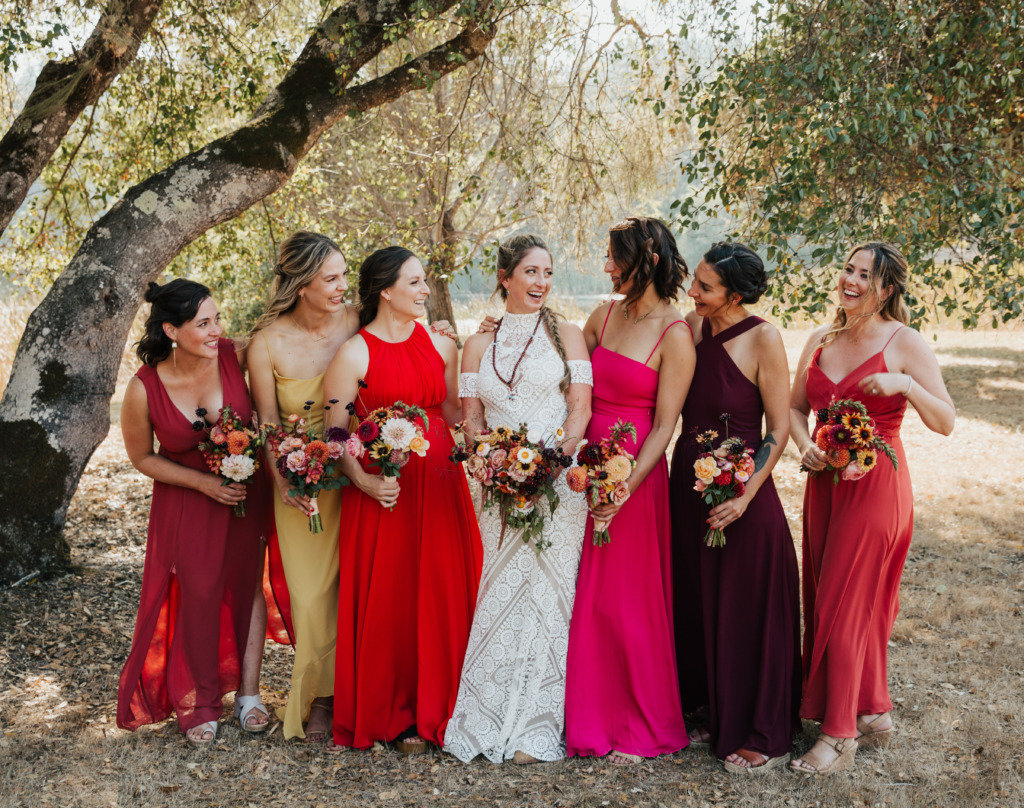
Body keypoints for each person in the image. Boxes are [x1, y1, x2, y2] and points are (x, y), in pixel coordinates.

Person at [788, 242, 955, 774]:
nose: (852, 280)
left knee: (849, 602)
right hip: (826, 485)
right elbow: (795, 409)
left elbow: (946, 420)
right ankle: (872, 711)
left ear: (887, 289)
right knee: (827, 595)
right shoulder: (822, 338)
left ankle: (838, 736)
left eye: (866, 275)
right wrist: (805, 447)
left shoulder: (905, 343)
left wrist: (905, 383)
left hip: (878, 485)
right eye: (848, 269)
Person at [323, 246, 482, 753]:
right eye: (413, 283)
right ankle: (394, 711)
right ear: (385, 291)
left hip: (438, 484)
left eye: (424, 282)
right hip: (383, 491)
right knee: (392, 596)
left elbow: (456, 413)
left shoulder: (441, 345)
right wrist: (364, 481)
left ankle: (447, 704)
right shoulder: (354, 353)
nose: (425, 291)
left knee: (440, 588)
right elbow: (334, 433)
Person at [443, 235, 592, 764]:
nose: (542, 283)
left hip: (556, 486)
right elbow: (472, 420)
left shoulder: (568, 334)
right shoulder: (478, 344)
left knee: (549, 598)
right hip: (497, 490)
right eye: (531, 272)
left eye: (548, 273)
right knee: (500, 591)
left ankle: (536, 725)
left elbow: (579, 410)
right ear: (505, 277)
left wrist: (551, 465)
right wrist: (490, 465)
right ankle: (484, 715)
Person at [564, 217, 695, 764]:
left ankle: (636, 721)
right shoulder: (606, 313)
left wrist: (624, 487)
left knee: (628, 601)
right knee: (583, 596)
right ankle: (582, 712)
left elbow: (666, 427)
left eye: (615, 258)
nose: (608, 268)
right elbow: (567, 364)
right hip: (584, 469)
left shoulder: (676, 335)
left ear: (648, 262)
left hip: (635, 477)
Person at [117, 280, 267, 745]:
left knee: (247, 585)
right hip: (187, 500)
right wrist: (205, 483)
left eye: (217, 319)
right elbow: (142, 458)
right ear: (171, 330)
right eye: (204, 323)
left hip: (245, 496)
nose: (217, 330)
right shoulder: (143, 389)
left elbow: (299, 334)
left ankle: (249, 694)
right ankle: (201, 700)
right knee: (198, 593)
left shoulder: (234, 354)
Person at [668, 242, 800, 774]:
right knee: (696, 599)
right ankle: (707, 707)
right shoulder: (689, 328)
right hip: (686, 487)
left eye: (705, 286)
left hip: (742, 493)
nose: (693, 292)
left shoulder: (763, 338)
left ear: (736, 294)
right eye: (694, 282)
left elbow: (780, 426)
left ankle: (759, 727)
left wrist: (746, 495)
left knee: (746, 607)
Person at [247, 231, 360, 742]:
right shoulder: (266, 342)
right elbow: (269, 425)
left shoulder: (357, 321)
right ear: (301, 284)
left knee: (353, 587)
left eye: (343, 275)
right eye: (330, 279)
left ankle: (341, 697)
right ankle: (316, 694)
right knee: (313, 594)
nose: (342, 287)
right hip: (300, 480)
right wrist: (284, 480)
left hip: (357, 470)